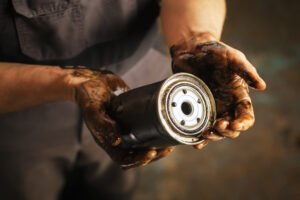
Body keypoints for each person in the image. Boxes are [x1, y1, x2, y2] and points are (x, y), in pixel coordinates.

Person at [0, 0, 266, 199]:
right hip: (20, 107)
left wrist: (197, 41)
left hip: (135, 84)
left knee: (113, 184)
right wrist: (70, 83)